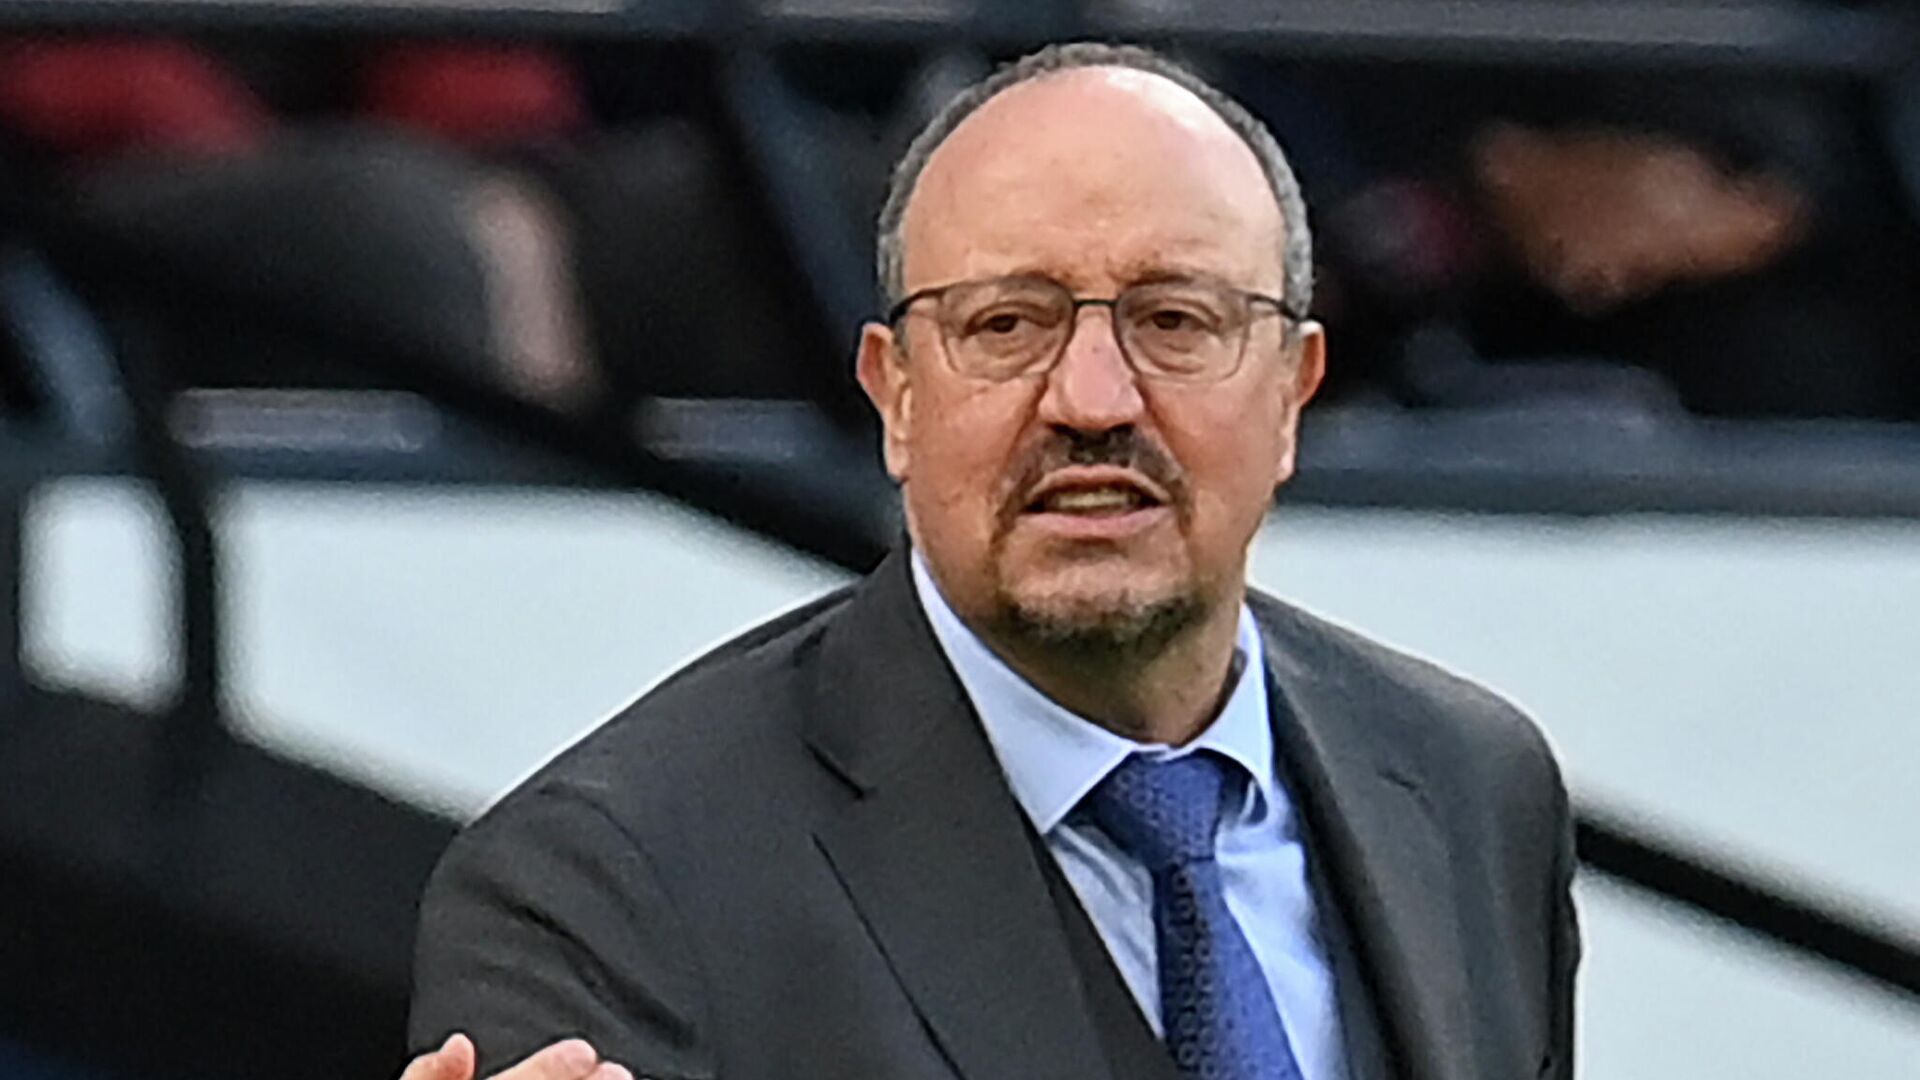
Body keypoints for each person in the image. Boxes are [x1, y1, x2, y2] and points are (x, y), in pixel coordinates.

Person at [404, 42, 1580, 1080]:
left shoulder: (1471, 788)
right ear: (896, 396)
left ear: (1292, 395)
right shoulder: (615, 885)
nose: (1092, 399)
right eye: (1006, 324)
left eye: (1175, 320)